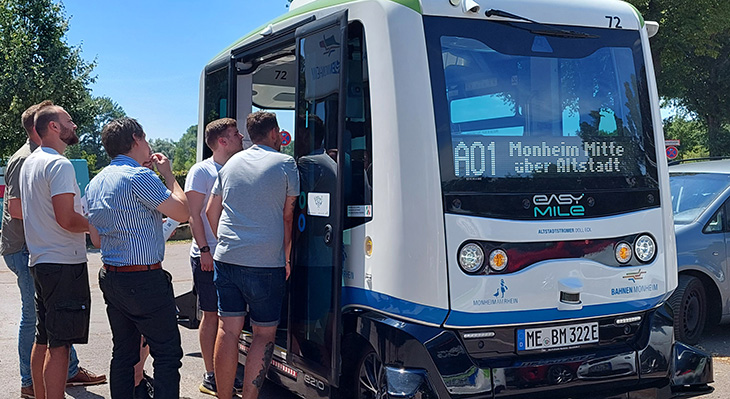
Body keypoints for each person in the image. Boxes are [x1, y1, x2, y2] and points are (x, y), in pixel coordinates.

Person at [2, 101, 106, 399]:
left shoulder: (31, 162)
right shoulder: (59, 164)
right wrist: (95, 225)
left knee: (44, 338)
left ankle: (36, 392)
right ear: (54, 127)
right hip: (63, 262)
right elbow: (67, 218)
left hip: (40, 259)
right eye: (69, 120)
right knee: (59, 346)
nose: (74, 125)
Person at [85, 117, 189, 399]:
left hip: (112, 274)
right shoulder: (140, 177)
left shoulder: (95, 183)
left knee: (124, 353)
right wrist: (168, 175)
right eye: (145, 139)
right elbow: (182, 212)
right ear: (136, 139)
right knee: (167, 354)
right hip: (144, 277)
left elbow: (95, 239)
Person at [207, 111, 299, 399]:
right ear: (274, 133)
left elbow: (211, 210)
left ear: (249, 135)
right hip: (265, 262)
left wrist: (226, 241)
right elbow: (288, 217)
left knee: (228, 329)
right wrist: (286, 256)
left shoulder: (231, 163)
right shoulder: (286, 163)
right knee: (263, 334)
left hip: (228, 257)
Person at [184, 118, 243, 396]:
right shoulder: (202, 171)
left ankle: (226, 369)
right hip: (207, 255)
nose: (241, 136)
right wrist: (205, 249)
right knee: (212, 316)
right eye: (235, 134)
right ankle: (210, 374)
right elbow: (193, 214)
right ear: (222, 141)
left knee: (229, 318)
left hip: (231, 256)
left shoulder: (236, 168)